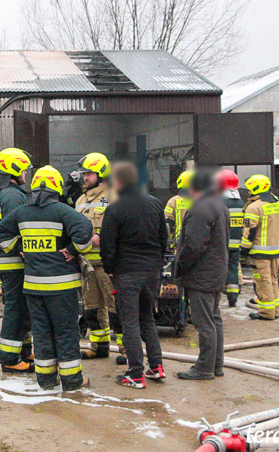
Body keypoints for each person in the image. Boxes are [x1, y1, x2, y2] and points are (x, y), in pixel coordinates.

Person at [0, 166, 94, 391]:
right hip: (62, 286)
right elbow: (85, 227)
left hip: (33, 287)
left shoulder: (22, 212)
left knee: (41, 333)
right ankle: (72, 381)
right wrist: (73, 249)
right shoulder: (62, 211)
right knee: (65, 331)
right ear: (56, 186)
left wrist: (19, 248)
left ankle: (46, 380)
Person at [101, 162, 167, 389]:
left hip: (127, 272)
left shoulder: (115, 209)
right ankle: (156, 367)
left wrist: (109, 267)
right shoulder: (156, 204)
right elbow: (163, 239)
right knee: (147, 317)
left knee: (129, 321)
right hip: (152, 272)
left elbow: (108, 246)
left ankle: (135, 373)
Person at [175, 170, 230, 380]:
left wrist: (180, 268)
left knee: (204, 322)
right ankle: (215, 365)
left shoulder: (200, 208)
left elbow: (194, 245)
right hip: (215, 272)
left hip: (201, 275)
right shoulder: (217, 204)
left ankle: (204, 368)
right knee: (214, 319)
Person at [73, 153, 123, 363]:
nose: (85, 177)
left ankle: (127, 349)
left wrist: (102, 237)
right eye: (84, 173)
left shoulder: (114, 196)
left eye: (89, 173)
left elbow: (123, 225)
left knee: (116, 308)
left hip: (108, 264)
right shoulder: (81, 200)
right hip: (87, 265)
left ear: (101, 173)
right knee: (92, 308)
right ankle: (99, 346)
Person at [0, 148, 34, 373]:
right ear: (15, 169)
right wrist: (25, 250)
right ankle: (9, 358)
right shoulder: (14, 196)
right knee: (16, 309)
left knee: (21, 307)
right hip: (14, 261)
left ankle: (25, 351)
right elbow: (17, 229)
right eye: (24, 169)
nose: (26, 173)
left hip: (5, 261)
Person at [241, 174, 279, 321]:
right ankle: (275, 310)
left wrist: (244, 250)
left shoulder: (254, 207)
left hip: (259, 252)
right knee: (273, 280)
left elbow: (250, 231)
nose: (248, 192)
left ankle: (266, 313)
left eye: (249, 189)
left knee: (262, 282)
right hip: (274, 250)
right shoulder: (276, 203)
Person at [218, 169, 245, 307]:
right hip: (236, 244)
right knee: (233, 268)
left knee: (218, 269)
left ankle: (216, 296)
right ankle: (233, 296)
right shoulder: (241, 203)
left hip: (222, 243)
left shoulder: (220, 202)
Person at [164, 169, 194, 251]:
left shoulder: (173, 201)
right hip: (198, 245)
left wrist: (168, 245)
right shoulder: (202, 201)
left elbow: (168, 224)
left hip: (179, 246)